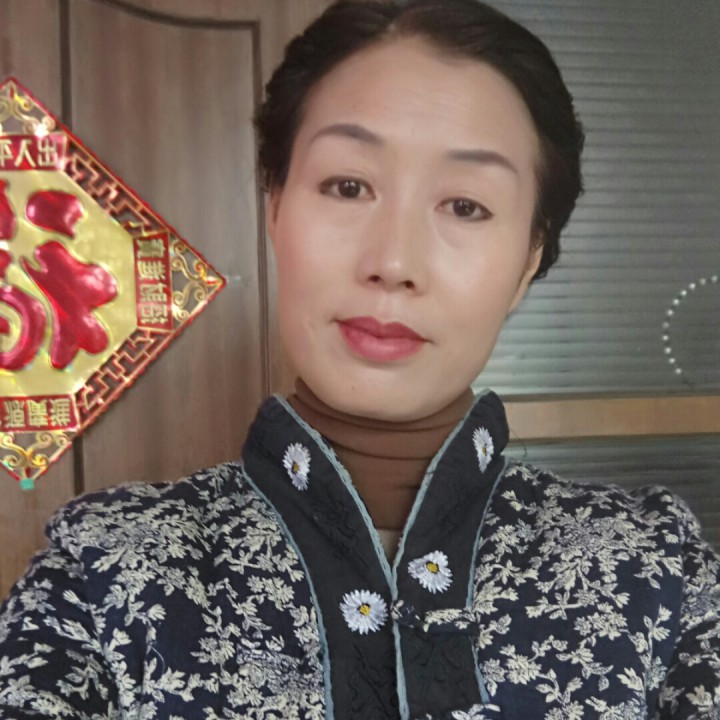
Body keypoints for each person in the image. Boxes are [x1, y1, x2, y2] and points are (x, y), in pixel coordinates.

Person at [1, 0, 718, 718]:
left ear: (530, 258)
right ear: (275, 206)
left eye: (466, 206)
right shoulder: (102, 573)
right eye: (348, 186)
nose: (394, 262)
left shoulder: (656, 569)